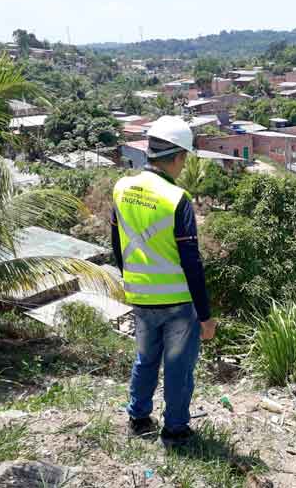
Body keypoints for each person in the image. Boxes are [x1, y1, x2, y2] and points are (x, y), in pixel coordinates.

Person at [111, 116, 217, 447]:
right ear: (177, 157)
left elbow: (117, 245)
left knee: (145, 358)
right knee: (177, 367)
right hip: (176, 301)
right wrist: (205, 315)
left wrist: (131, 279)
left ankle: (138, 417)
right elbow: (192, 262)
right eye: (185, 158)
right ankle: (175, 429)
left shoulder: (121, 188)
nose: (184, 165)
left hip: (140, 295)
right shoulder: (177, 199)